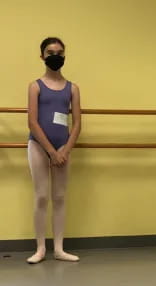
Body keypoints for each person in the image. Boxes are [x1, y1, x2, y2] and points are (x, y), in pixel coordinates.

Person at [27, 37, 82, 264]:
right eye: (50, 52)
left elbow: (77, 123)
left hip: (63, 147)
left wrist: (65, 150)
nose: (55, 56)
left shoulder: (73, 88)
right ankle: (40, 248)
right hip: (39, 146)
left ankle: (59, 248)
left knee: (59, 197)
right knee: (41, 196)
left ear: (65, 55)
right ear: (42, 56)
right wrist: (51, 151)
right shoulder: (35, 86)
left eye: (59, 52)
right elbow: (32, 122)